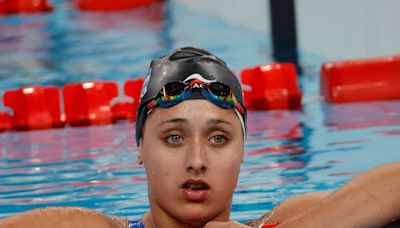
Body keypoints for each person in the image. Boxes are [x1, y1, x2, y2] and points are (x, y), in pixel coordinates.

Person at [1, 47, 400, 228]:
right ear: (140, 147)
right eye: (173, 138)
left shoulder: (283, 220)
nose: (196, 160)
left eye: (219, 138)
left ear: (244, 150)